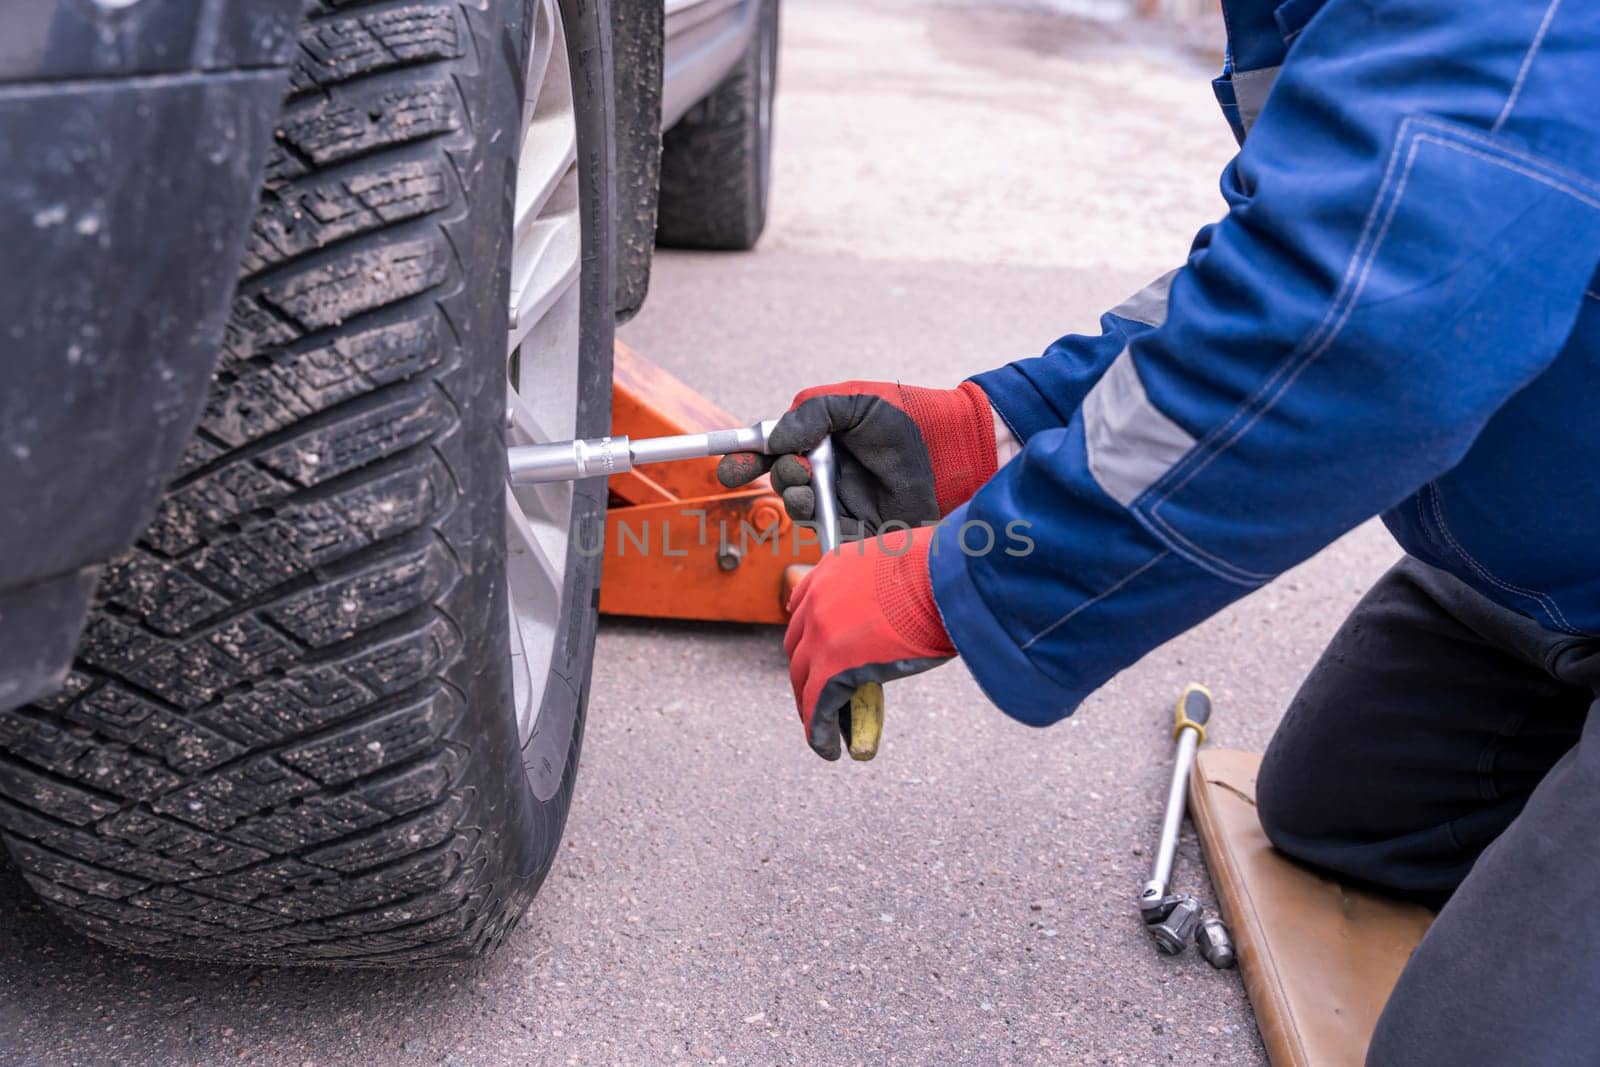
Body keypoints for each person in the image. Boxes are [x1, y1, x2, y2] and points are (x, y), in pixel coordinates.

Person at [719, 0, 1600, 1062]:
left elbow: (1367, 324)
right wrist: (994, 430)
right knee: (1339, 814)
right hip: (1554, 577)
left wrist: (980, 573)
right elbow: (1297, 252)